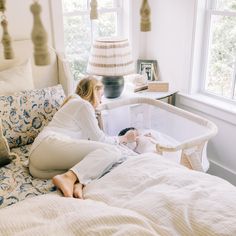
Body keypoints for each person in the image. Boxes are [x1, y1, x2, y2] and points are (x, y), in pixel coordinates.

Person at [29, 76, 137, 198]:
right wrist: (124, 138)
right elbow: (101, 140)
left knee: (96, 162)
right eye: (100, 96)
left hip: (38, 165)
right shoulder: (83, 105)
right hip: (48, 145)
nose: (101, 101)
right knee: (113, 152)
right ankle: (68, 178)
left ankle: (78, 182)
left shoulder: (74, 104)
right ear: (94, 91)